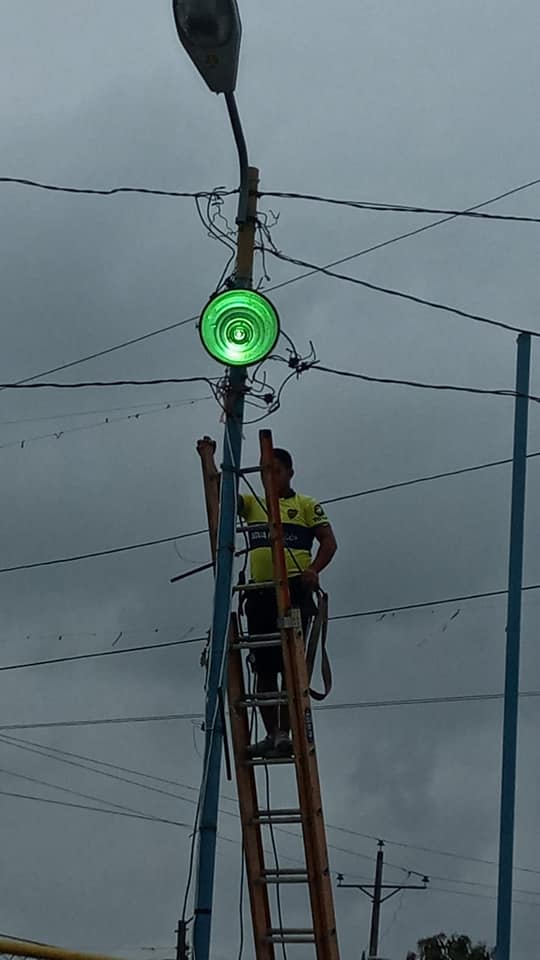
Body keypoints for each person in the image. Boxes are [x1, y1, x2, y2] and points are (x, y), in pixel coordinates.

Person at [198, 438, 337, 759]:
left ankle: (286, 733)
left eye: (276, 471)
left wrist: (313, 570)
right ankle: (272, 733)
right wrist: (209, 459)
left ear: (290, 473)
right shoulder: (253, 505)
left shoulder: (305, 505)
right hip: (260, 594)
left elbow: (329, 542)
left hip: (294, 591)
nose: (269, 477)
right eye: (264, 472)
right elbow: (220, 495)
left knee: (291, 665)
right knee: (263, 668)